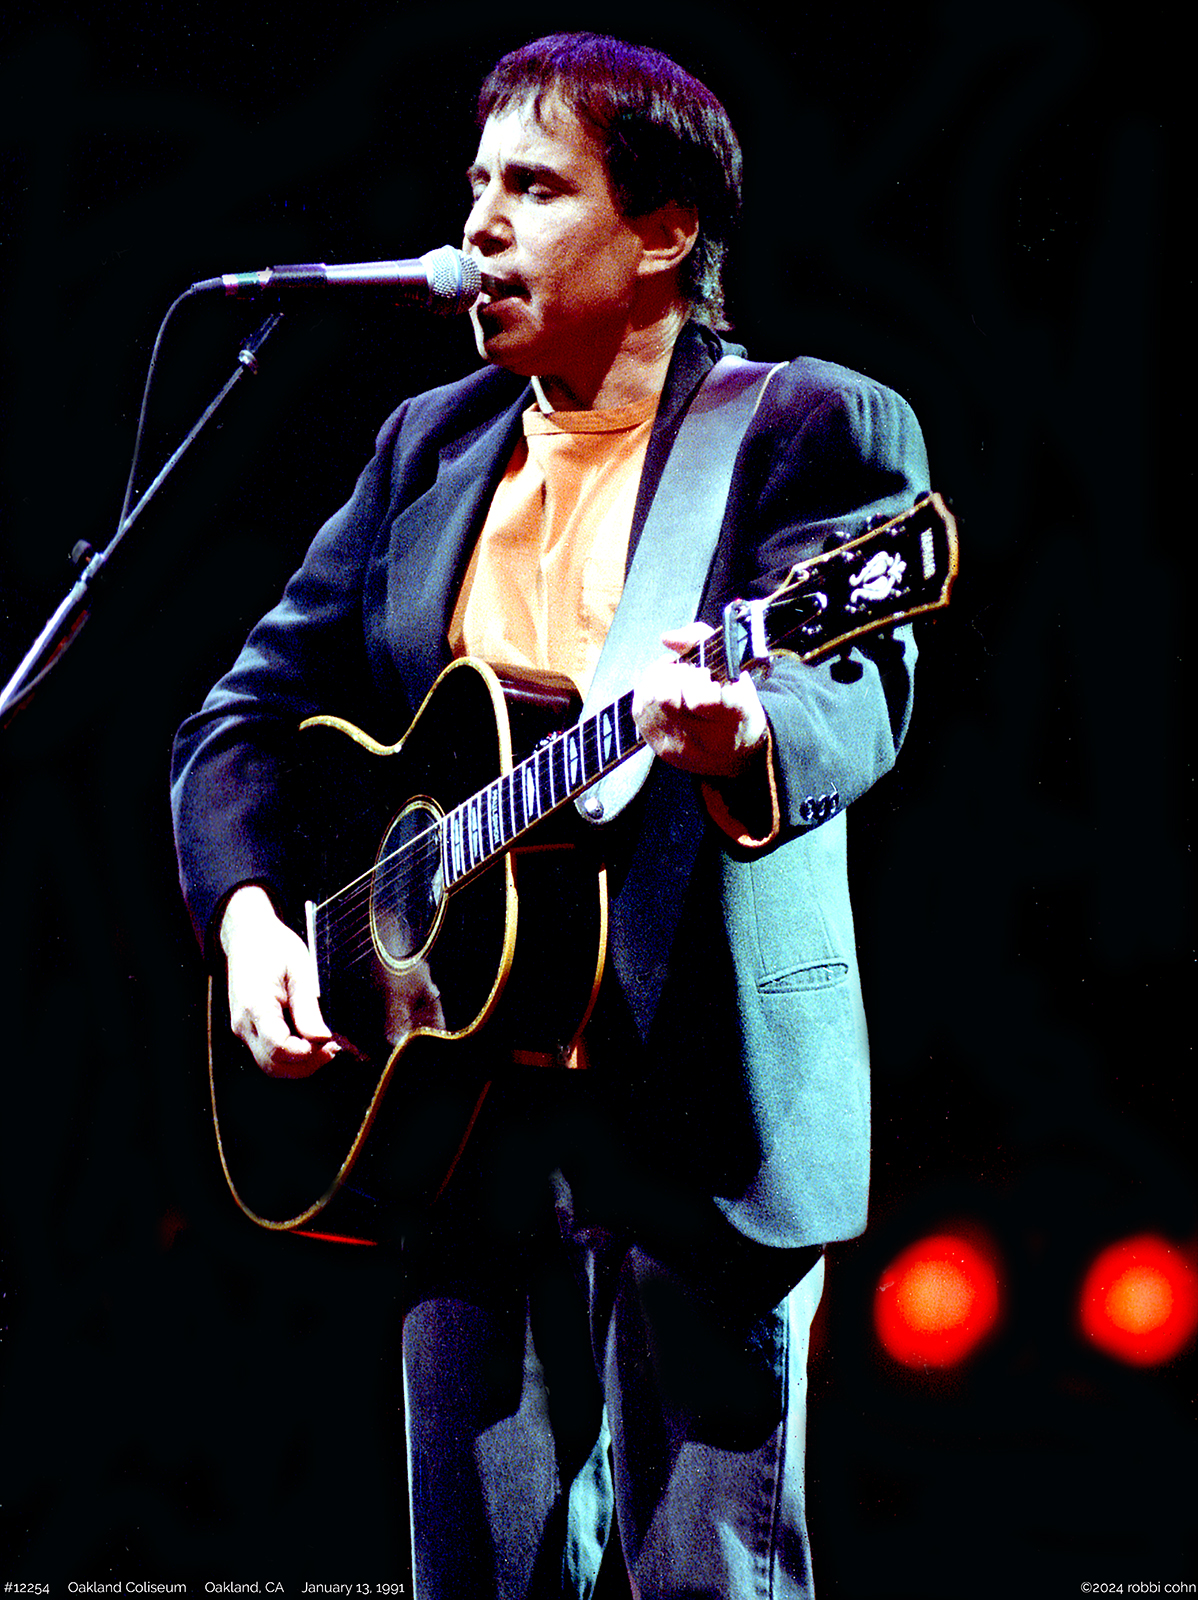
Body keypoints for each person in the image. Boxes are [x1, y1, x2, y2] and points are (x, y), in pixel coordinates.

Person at [171, 31, 931, 1598]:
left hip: (699, 1095)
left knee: (705, 1578)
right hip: (455, 1114)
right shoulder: (429, 444)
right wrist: (249, 920)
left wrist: (741, 730)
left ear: (662, 233)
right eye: (475, 186)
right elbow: (238, 719)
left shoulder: (800, 424)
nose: (480, 226)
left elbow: (853, 688)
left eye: (533, 187)